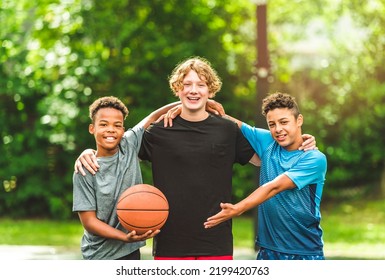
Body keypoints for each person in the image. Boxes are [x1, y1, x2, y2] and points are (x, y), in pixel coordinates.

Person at [75, 57, 316, 260]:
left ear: (210, 90)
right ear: (177, 89)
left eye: (200, 84)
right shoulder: (157, 132)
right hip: (169, 241)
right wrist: (87, 153)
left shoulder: (228, 130)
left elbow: (270, 159)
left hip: (216, 240)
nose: (193, 90)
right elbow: (116, 150)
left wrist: (302, 145)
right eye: (187, 84)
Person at [204, 92, 327, 260]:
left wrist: (237, 208)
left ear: (299, 121)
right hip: (267, 251)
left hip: (304, 252)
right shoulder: (267, 141)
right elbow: (218, 114)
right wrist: (182, 106)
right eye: (272, 124)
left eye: (284, 122)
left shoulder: (314, 158)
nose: (278, 129)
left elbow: (274, 187)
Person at [73, 96, 182, 260]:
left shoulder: (129, 145)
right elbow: (89, 222)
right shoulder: (85, 169)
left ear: (123, 130)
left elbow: (154, 116)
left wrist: (201, 103)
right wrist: (123, 237)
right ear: (92, 128)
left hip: (130, 251)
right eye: (103, 124)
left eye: (117, 125)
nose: (111, 129)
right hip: (99, 255)